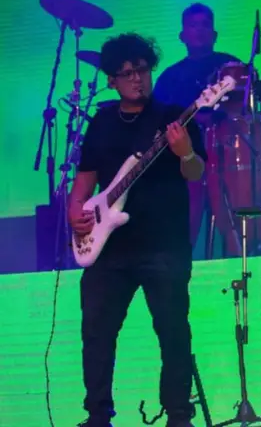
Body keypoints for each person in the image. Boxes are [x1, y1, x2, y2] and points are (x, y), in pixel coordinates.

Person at [68, 33, 207, 427]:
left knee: (173, 331)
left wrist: (185, 152)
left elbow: (195, 172)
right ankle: (98, 415)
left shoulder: (175, 117)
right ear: (112, 80)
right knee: (97, 333)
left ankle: (178, 414)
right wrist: (75, 211)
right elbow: (86, 177)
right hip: (109, 247)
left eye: (142, 70)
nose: (137, 79)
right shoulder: (101, 121)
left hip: (164, 244)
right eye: (127, 73)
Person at [152, 3, 241, 250]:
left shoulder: (231, 67)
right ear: (182, 35)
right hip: (184, 161)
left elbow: (245, 108)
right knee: (183, 230)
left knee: (234, 226)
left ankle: (240, 254)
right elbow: (158, 122)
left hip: (229, 156)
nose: (199, 30)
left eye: (205, 25)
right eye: (192, 25)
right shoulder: (169, 77)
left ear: (215, 34)